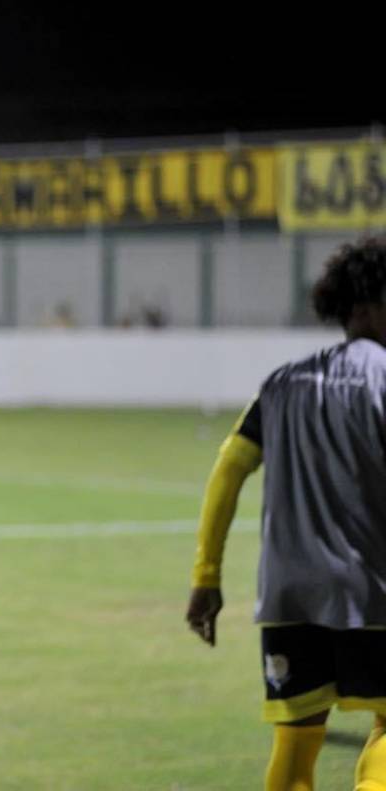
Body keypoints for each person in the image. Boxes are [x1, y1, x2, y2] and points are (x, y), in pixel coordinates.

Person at [186, 237, 386, 791]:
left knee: (295, 747)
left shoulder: (281, 384)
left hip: (289, 598)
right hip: (374, 593)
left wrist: (206, 577)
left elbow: (228, 472)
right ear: (368, 306)